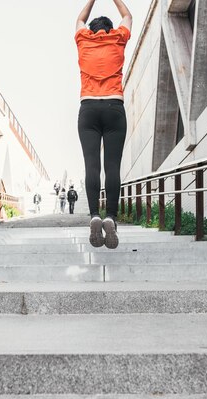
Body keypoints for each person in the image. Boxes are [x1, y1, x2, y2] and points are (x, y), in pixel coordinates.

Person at [75, 0, 132, 249]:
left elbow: (80, 19)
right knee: (112, 166)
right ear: (110, 29)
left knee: (91, 166)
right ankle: (110, 216)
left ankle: (94, 216)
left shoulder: (83, 40)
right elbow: (127, 15)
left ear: (92, 29)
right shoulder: (118, 39)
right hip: (113, 108)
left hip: (88, 109)